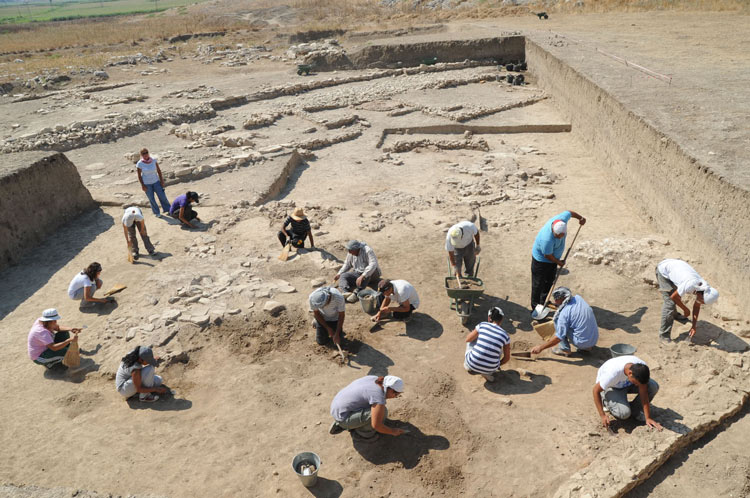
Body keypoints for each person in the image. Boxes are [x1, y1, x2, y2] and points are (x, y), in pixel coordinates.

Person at [530, 209, 586, 310]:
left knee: (550, 280)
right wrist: (559, 262)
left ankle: (544, 301)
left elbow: (570, 212)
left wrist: (581, 218)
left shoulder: (562, 219)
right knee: (538, 284)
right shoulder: (546, 239)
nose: (560, 238)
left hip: (553, 260)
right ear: (553, 231)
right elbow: (548, 255)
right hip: (541, 261)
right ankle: (536, 307)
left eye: (562, 236)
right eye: (557, 236)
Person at [655, 258, 719, 343]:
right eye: (702, 301)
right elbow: (673, 297)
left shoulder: (704, 289)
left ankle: (674, 315)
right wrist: (686, 309)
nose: (701, 303)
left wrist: (694, 326)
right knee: (670, 303)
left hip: (676, 268)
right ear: (701, 295)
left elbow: (696, 306)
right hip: (663, 270)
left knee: (675, 294)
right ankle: (664, 335)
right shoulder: (690, 284)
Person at [593, 355, 662, 431]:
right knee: (624, 413)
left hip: (626, 384)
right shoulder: (612, 374)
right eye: (636, 383)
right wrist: (602, 415)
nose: (637, 385)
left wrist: (648, 417)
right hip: (613, 387)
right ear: (630, 373)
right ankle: (606, 400)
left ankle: (635, 410)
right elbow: (595, 391)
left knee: (653, 387)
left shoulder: (641, 368)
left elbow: (644, 392)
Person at [329, 375, 405, 442]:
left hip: (338, 409)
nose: (395, 397)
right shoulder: (378, 396)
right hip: (343, 417)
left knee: (377, 410)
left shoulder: (374, 378)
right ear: (390, 390)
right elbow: (377, 425)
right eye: (395, 394)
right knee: (383, 412)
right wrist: (392, 431)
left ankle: (345, 422)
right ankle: (362, 434)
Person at [531, 287, 599, 357]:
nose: (555, 301)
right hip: (593, 339)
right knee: (575, 322)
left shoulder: (564, 314)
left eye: (556, 299)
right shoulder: (578, 298)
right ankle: (587, 348)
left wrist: (540, 348)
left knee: (557, 320)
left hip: (582, 342)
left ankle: (565, 349)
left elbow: (558, 338)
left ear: (561, 299)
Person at [464, 307, 510, 382]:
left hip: (472, 364)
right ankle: (486, 372)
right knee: (499, 351)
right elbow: (507, 358)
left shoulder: (482, 325)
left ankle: (468, 366)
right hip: (491, 369)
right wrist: (497, 365)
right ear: (501, 319)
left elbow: (467, 339)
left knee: (471, 341)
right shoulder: (506, 335)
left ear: (489, 318)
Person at [136, 148, 171, 216]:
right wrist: (142, 185)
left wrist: (162, 181)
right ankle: (156, 212)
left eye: (146, 152)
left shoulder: (153, 160)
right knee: (151, 199)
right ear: (141, 155)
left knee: (162, 196)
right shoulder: (139, 164)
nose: (145, 154)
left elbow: (159, 171)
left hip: (156, 182)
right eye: (143, 153)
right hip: (147, 184)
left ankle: (168, 209)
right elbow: (139, 176)